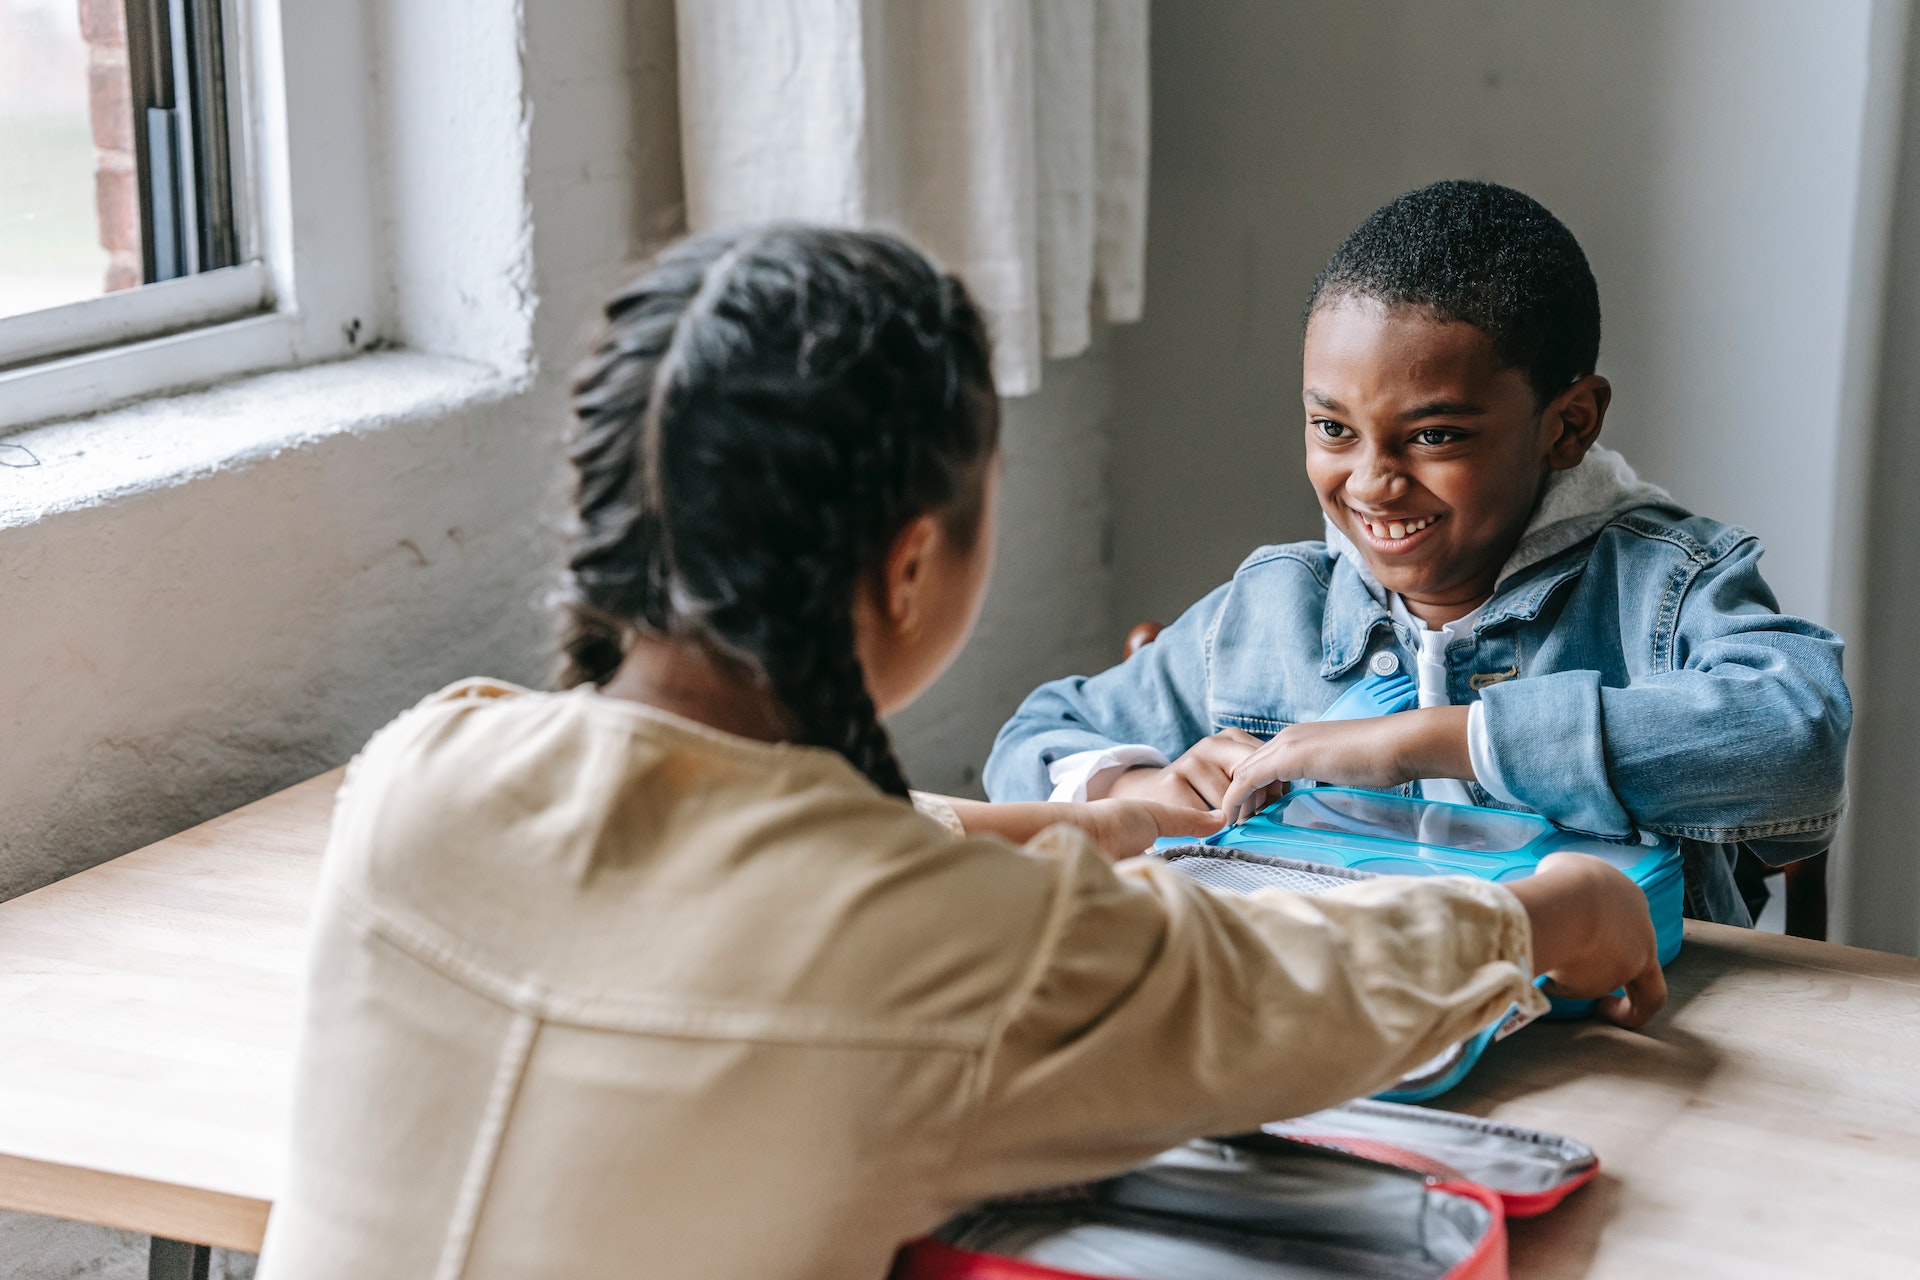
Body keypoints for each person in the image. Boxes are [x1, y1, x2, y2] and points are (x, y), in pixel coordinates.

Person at [257, 224, 1662, 1280]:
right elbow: (1290, 989)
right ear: (913, 561)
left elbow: (729, 865)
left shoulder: (422, 772)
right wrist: (1543, 916)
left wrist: (1085, 826)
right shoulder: (954, 961)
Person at [984, 181, 1851, 927]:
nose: (1371, 483)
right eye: (1332, 429)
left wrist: (1428, 741)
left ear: (1569, 424)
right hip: (1344, 1046)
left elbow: (1799, 744)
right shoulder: (1274, 609)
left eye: (1433, 435)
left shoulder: (1661, 594)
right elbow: (1028, 743)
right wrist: (1127, 791)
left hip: (1616, 1051)